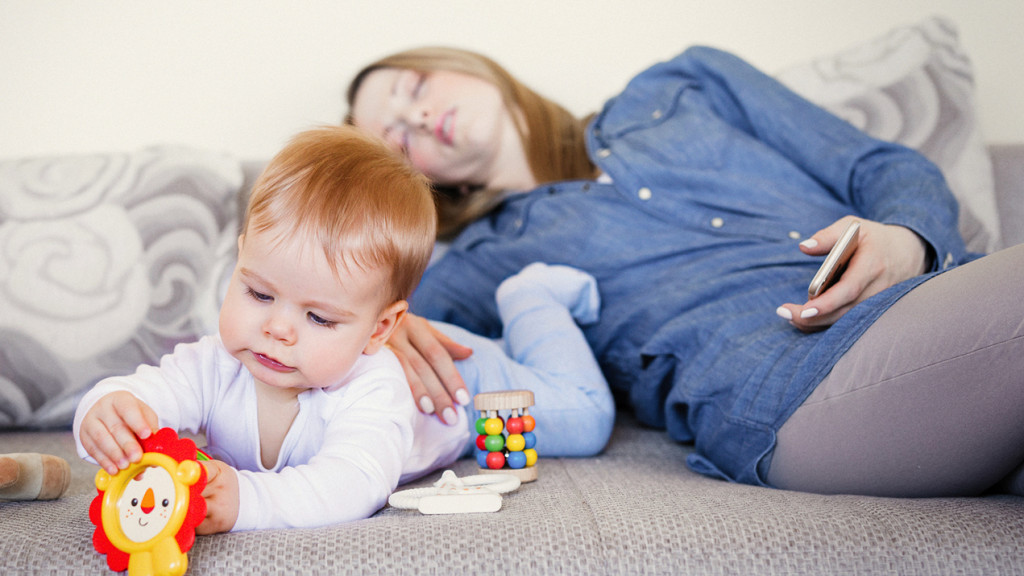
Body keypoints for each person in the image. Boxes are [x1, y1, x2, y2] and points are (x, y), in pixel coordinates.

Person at [346, 45, 1024, 498]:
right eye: (396, 136)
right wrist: (381, 332)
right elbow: (354, 337)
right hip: (793, 393)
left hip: (946, 304)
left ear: (460, 64)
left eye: (413, 87)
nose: (418, 115)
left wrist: (908, 238)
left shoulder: (686, 84)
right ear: (415, 178)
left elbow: (881, 166)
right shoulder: (480, 265)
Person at [73, 126, 613, 533]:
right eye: (258, 293)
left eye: (319, 318)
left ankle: (529, 297)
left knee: (587, 417)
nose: (276, 329)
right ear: (239, 261)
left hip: (461, 382)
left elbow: (352, 486)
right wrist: (106, 410)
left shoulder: (369, 384)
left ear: (380, 329)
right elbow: (144, 393)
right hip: (414, 349)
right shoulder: (213, 364)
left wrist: (246, 502)